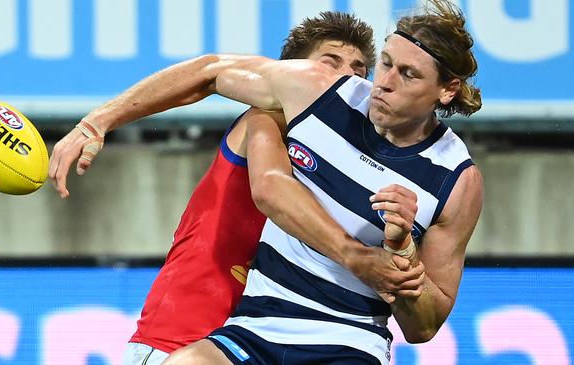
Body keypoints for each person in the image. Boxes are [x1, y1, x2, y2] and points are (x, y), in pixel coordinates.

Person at [49, 12, 423, 365]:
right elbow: (210, 72)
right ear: (290, 73)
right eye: (329, 63)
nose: (346, 78)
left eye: (359, 71)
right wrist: (97, 122)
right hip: (178, 341)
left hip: (257, 343)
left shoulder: (348, 163)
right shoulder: (268, 118)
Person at [157, 0, 481, 363]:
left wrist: (401, 247)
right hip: (255, 328)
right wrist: (96, 125)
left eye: (408, 74)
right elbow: (268, 184)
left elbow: (422, 328)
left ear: (448, 89)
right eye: (386, 64)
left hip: (349, 344)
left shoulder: (457, 180)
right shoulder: (318, 100)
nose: (383, 83)